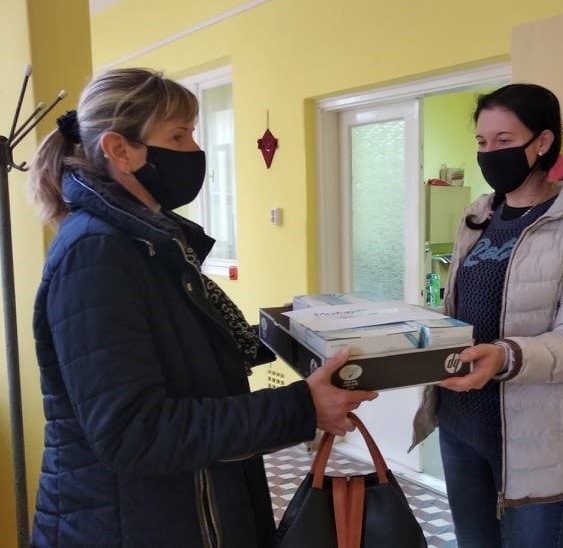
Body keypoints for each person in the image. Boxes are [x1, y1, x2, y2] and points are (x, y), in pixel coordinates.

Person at [27, 67, 377, 547]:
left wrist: (293, 326)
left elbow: (183, 352)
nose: (194, 150)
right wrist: (301, 406)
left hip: (186, 509)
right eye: (178, 135)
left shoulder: (150, 241)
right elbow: (133, 432)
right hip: (130, 527)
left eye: (192, 133)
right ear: (119, 150)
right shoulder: (97, 253)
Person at [410, 83, 563, 547]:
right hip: (460, 425)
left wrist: (504, 356)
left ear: (543, 141)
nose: (489, 153)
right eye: (482, 142)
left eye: (504, 140)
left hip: (541, 440)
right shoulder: (477, 216)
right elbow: (461, 310)